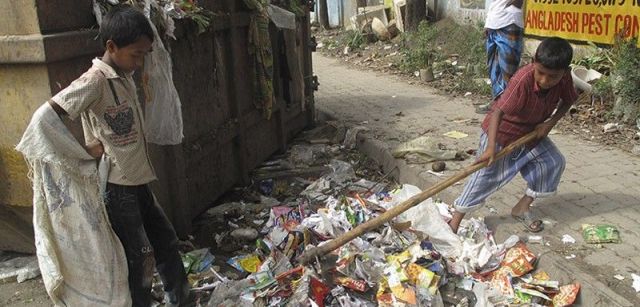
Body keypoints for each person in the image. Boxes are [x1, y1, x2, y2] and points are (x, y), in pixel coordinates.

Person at [47, 5, 190, 306]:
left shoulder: (122, 75)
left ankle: (181, 299)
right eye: (136, 54)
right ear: (111, 46)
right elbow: (49, 115)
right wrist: (80, 152)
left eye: (143, 55)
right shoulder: (95, 81)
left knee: (165, 241)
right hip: (117, 188)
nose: (139, 63)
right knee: (137, 261)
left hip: (138, 182)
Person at [449, 37, 578, 233]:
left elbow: (568, 101)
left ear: (564, 72)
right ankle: (455, 221)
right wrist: (491, 148)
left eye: (552, 77)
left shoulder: (565, 78)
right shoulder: (522, 80)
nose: (544, 81)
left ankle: (522, 207)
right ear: (534, 63)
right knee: (485, 176)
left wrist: (549, 124)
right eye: (540, 73)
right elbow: (497, 113)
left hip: (532, 133)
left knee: (553, 162)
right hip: (501, 132)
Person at [476, 0, 524, 114]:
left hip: (510, 22)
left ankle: (508, 104)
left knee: (508, 69)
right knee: (494, 66)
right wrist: (488, 24)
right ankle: (497, 101)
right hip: (494, 23)